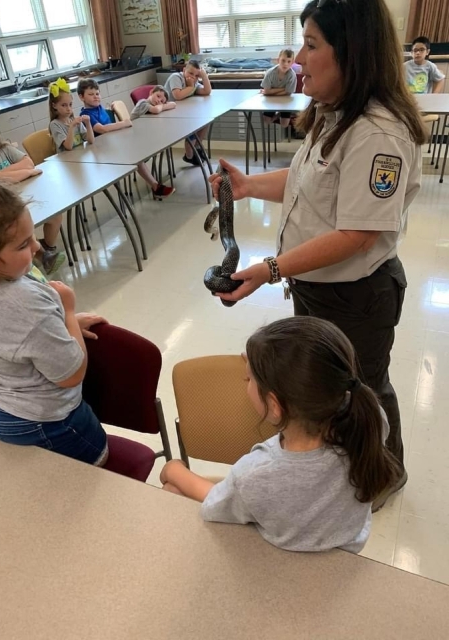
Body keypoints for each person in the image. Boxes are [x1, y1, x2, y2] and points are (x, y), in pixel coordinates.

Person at [209, 0, 427, 511]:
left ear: (351, 52)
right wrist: (246, 186)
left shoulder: (378, 133)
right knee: (334, 386)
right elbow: (309, 182)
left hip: (357, 294)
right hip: (319, 286)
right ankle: (344, 465)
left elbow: (358, 233)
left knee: (365, 389)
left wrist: (268, 270)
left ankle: (383, 474)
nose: (300, 59)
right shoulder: (336, 113)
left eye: (311, 45)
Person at [161, 317, 399, 552]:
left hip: (279, 559)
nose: (246, 381)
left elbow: (215, 506)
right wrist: (261, 365)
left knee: (172, 488)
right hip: (342, 551)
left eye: (248, 378)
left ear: (275, 405)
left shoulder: (258, 473)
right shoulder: (371, 420)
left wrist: (173, 469)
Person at [0, 176, 109, 465]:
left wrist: (56, 323)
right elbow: (70, 374)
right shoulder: (26, 303)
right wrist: (67, 311)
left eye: (32, 236)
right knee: (97, 467)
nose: (36, 248)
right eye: (22, 245)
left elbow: (7, 338)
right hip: (45, 424)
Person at [0, 112, 65, 275]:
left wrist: (9, 173)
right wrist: (26, 172)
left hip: (24, 193)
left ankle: (45, 251)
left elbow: (29, 162)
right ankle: (37, 257)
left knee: (55, 214)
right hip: (4, 206)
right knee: (18, 226)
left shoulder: (4, 148)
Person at [77, 78, 174, 199]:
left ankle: (155, 185)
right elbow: (101, 129)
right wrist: (124, 123)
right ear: (81, 97)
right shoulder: (85, 115)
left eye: (97, 93)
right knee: (135, 156)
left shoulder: (99, 108)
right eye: (91, 94)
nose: (96, 97)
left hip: (111, 143)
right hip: (101, 152)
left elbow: (109, 125)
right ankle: (155, 186)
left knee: (137, 150)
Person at [164, 59, 212, 166]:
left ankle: (195, 148)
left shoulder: (193, 82)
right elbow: (178, 95)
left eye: (196, 75)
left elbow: (206, 91)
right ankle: (190, 154)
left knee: (205, 121)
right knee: (193, 124)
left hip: (183, 114)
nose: (193, 77)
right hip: (168, 117)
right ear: (184, 70)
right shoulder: (176, 77)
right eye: (190, 73)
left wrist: (204, 76)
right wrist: (190, 87)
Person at [48, 77, 95, 152]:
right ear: (54, 106)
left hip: (79, 157)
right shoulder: (54, 124)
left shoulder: (74, 120)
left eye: (70, 104)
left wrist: (88, 123)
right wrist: (72, 126)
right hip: (67, 161)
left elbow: (91, 140)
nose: (68, 108)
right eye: (64, 105)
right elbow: (68, 146)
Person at [261, 48, 298, 130]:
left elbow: (288, 93)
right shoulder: (270, 73)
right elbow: (266, 91)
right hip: (271, 100)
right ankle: (278, 112)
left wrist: (271, 91)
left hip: (286, 100)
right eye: (283, 61)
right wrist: (283, 89)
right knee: (266, 120)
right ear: (278, 60)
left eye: (289, 61)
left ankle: (279, 112)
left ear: (292, 63)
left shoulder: (292, 75)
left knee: (284, 124)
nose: (285, 64)